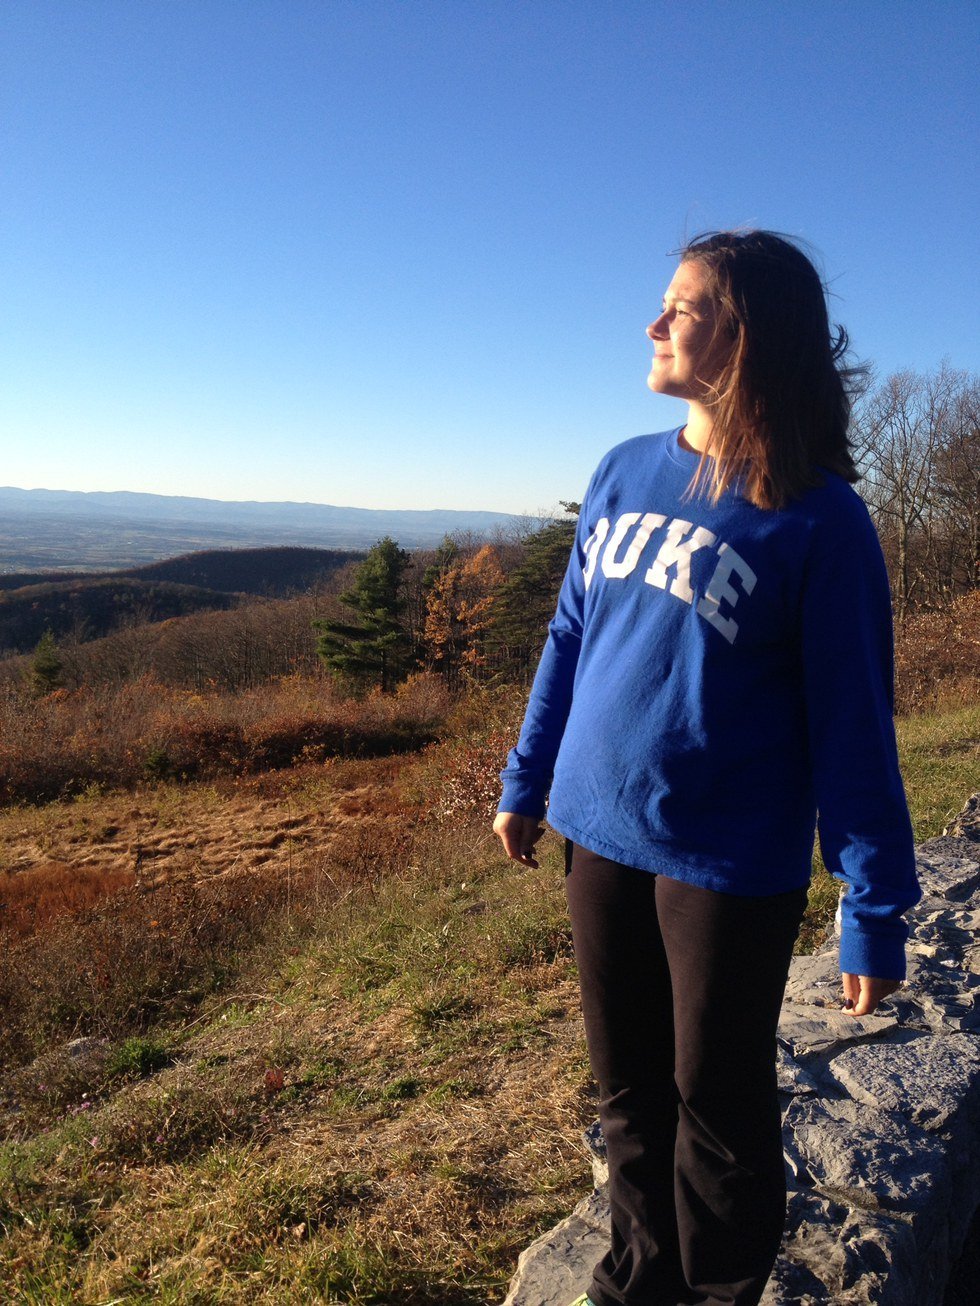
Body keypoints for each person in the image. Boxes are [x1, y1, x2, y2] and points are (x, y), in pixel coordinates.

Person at [493, 230, 920, 1306]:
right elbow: (570, 637)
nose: (653, 324)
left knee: (716, 1107)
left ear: (747, 336)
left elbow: (854, 726)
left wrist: (872, 907)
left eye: (680, 309)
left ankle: (719, 1293)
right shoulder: (622, 469)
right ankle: (635, 1283)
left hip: (726, 861)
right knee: (626, 1093)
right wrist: (526, 778)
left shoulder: (821, 519)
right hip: (598, 830)